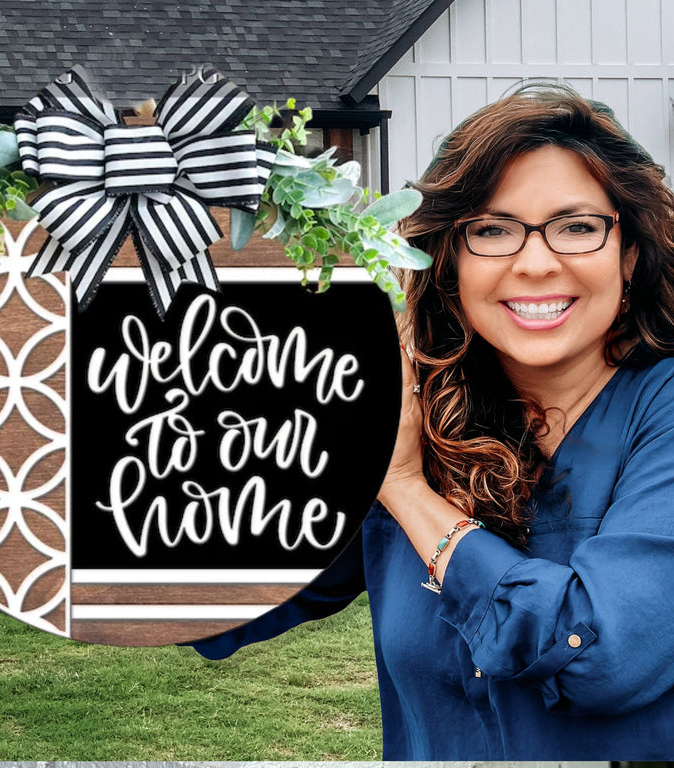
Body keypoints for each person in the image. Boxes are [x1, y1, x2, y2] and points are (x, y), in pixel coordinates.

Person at [191, 83, 674, 759]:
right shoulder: (420, 409)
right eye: (493, 230)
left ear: (629, 254)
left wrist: (407, 489)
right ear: (449, 261)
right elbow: (220, 600)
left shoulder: (661, 413)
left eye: (577, 226)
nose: (536, 263)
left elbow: (600, 658)